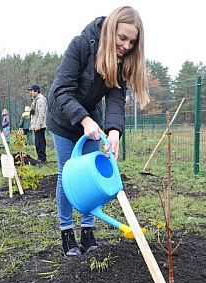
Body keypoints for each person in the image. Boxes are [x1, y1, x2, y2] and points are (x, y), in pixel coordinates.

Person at [47, 6, 149, 257]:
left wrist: (113, 130)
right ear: (111, 29)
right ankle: (66, 230)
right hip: (62, 118)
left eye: (132, 42)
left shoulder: (119, 60)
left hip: (92, 121)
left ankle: (88, 228)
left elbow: (115, 98)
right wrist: (83, 119)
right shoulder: (81, 45)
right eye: (122, 38)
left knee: (93, 175)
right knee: (67, 172)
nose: (126, 46)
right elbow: (60, 91)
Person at [28, 84, 47, 163]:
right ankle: (40, 157)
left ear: (36, 91)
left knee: (40, 142)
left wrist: (38, 125)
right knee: (38, 141)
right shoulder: (35, 100)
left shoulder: (40, 100)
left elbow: (41, 114)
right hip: (36, 125)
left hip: (39, 126)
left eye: (31, 91)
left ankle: (41, 158)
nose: (30, 93)